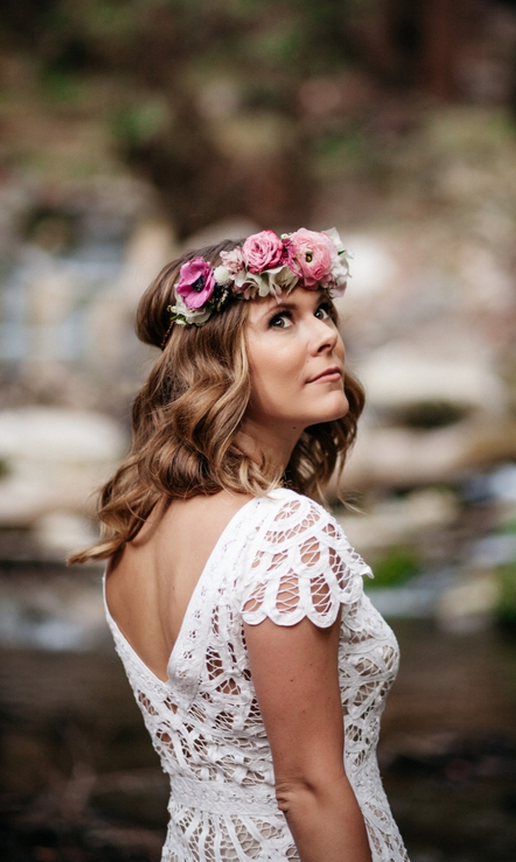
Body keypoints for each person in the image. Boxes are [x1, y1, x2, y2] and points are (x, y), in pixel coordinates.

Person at [70, 227, 409, 862]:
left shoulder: (137, 526)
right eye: (282, 319)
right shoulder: (286, 533)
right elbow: (308, 788)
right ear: (217, 363)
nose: (326, 335)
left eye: (322, 310)